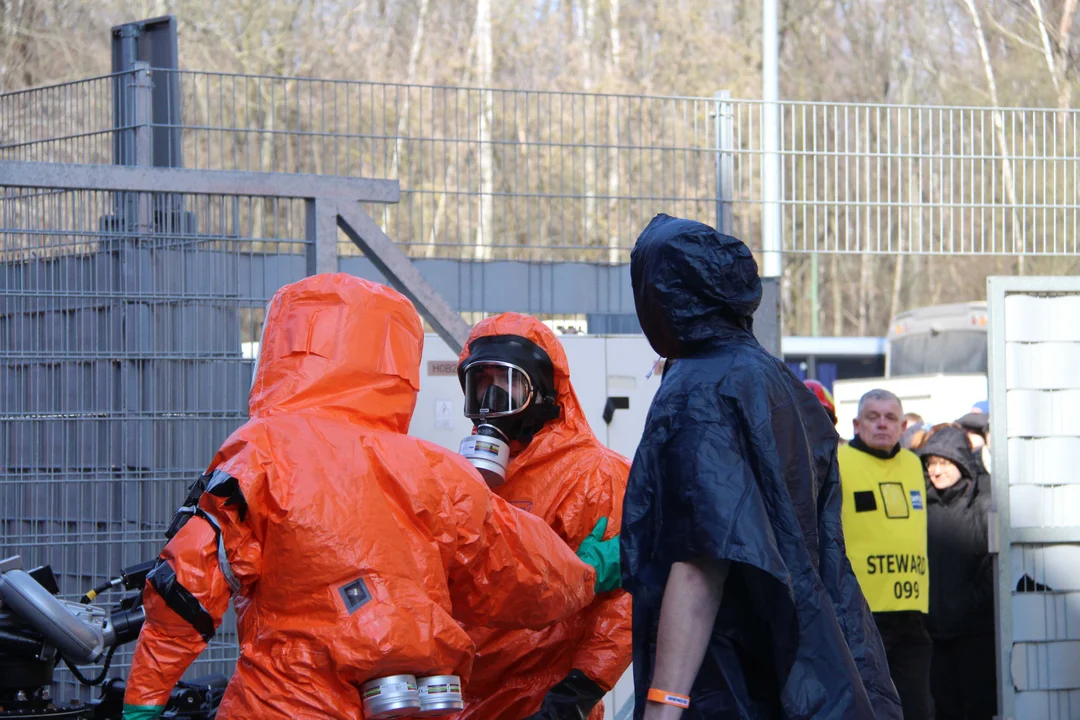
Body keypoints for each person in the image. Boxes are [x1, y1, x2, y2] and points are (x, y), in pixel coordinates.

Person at [121, 274, 615, 720]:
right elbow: (520, 572)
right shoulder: (435, 471)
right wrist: (590, 571)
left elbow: (186, 585)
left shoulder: (260, 453)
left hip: (283, 700)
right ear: (397, 361)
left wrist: (145, 698)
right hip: (407, 703)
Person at [621, 214, 901, 720]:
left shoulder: (699, 389)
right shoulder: (779, 381)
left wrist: (664, 705)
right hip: (804, 662)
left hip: (728, 678)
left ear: (665, 294)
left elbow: (702, 557)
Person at [454, 312, 632, 720]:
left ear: (547, 393)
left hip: (544, 698)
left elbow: (622, 604)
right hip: (466, 697)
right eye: (481, 384)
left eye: (507, 385)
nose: (490, 401)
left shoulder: (594, 475)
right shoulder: (466, 479)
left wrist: (578, 693)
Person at [839, 388, 933, 719]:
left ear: (903, 425)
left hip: (911, 613)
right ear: (856, 424)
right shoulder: (838, 463)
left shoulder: (913, 464)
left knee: (917, 709)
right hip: (862, 614)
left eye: (890, 417)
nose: (882, 424)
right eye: (872, 417)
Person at [919, 424, 996, 719]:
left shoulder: (982, 506)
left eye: (943, 463)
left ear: (961, 462)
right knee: (944, 709)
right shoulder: (922, 507)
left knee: (979, 707)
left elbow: (994, 565)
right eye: (931, 464)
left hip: (974, 633)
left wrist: (972, 604)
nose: (936, 471)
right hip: (934, 634)